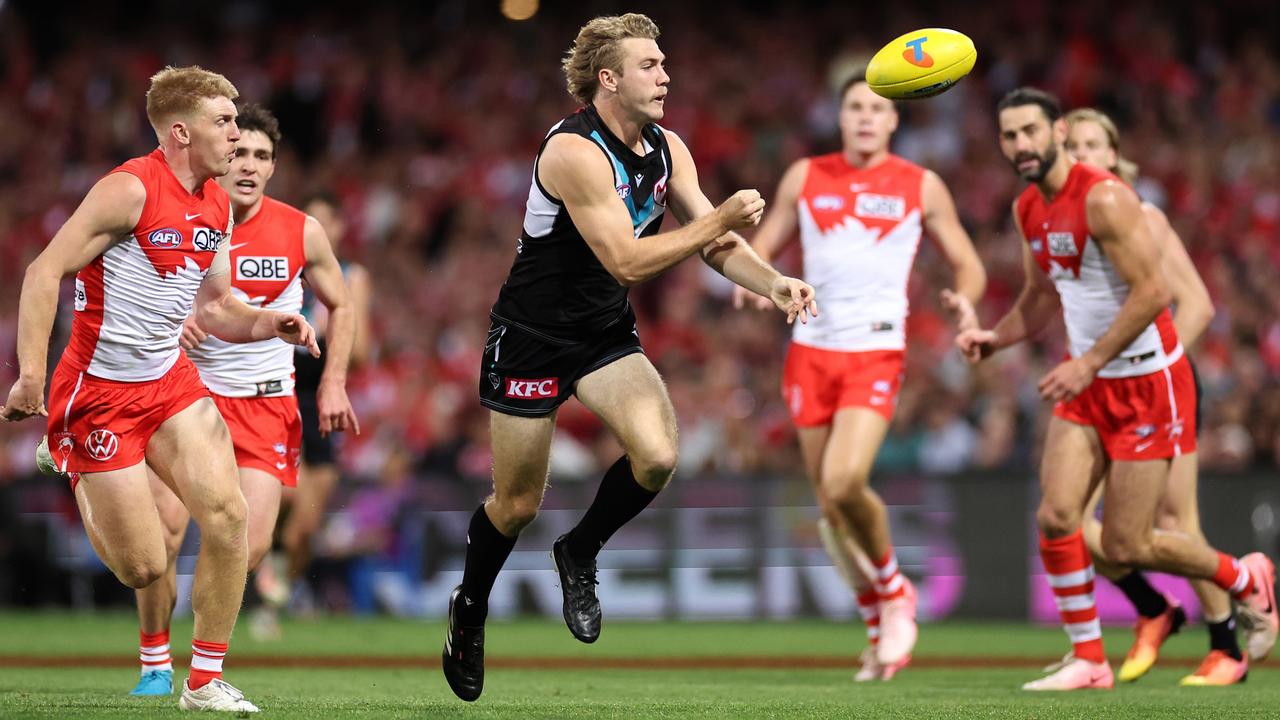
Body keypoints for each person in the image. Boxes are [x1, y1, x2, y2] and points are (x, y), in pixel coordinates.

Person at [441, 13, 817, 702]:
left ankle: (579, 550)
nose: (666, 74)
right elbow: (628, 258)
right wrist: (719, 219)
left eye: (665, 62)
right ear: (608, 79)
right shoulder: (572, 152)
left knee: (658, 456)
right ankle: (470, 607)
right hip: (531, 335)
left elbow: (713, 243)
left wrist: (774, 283)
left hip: (601, 333)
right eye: (651, 65)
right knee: (518, 503)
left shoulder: (667, 147)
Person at [2, 66, 319, 713]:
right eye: (224, 121)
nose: (237, 130)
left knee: (229, 517)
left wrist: (266, 321)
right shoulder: (128, 190)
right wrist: (32, 374)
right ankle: (67, 455)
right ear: (181, 131)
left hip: (169, 383)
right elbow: (43, 272)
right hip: (98, 393)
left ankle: (203, 681)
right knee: (143, 567)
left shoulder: (218, 202)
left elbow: (218, 304)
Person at [957, 86, 1277, 691]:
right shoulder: (1029, 208)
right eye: (1009, 135)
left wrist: (1091, 361)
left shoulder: (1105, 198)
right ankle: (1089, 659)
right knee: (1056, 517)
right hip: (1090, 382)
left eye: (1030, 131)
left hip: (1145, 382)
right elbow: (1042, 297)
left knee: (1132, 540)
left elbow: (1156, 293)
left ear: (1056, 134)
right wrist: (995, 338)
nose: (1020, 144)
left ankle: (1245, 578)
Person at [731, 75, 986, 681]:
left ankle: (896, 591)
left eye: (876, 109)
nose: (866, 117)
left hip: (874, 349)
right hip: (810, 351)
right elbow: (765, 245)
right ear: (839, 117)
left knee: (846, 482)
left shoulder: (920, 185)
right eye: (854, 108)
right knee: (829, 510)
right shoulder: (804, 175)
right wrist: (756, 286)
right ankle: (876, 620)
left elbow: (968, 262)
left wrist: (967, 301)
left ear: (894, 121)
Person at [123, 103, 359, 696]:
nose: (248, 165)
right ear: (221, 157)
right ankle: (157, 662)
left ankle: (202, 666)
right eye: (240, 153)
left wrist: (332, 381)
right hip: (186, 397)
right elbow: (136, 290)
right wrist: (171, 326)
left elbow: (343, 302)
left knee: (247, 547)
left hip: (265, 403)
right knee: (164, 533)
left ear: (274, 166)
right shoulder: (185, 216)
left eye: (261, 156)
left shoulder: (302, 229)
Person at [1064, 107, 1247, 686]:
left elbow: (1197, 306)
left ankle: (1227, 648)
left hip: (1155, 386)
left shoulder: (1141, 216)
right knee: (1064, 517)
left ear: (1114, 156)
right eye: (1073, 145)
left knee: (1174, 517)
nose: (1083, 154)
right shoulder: (1060, 222)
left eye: (1094, 144)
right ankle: (1152, 607)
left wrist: (1152, 363)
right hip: (1099, 390)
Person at [269, 190, 372, 611]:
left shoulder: (351, 276)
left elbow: (362, 352)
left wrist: (328, 331)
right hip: (278, 396)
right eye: (309, 220)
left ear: (340, 228)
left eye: (326, 221)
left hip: (320, 401)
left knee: (305, 526)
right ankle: (262, 592)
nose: (318, 229)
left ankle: (275, 596)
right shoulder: (280, 272)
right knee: (281, 500)